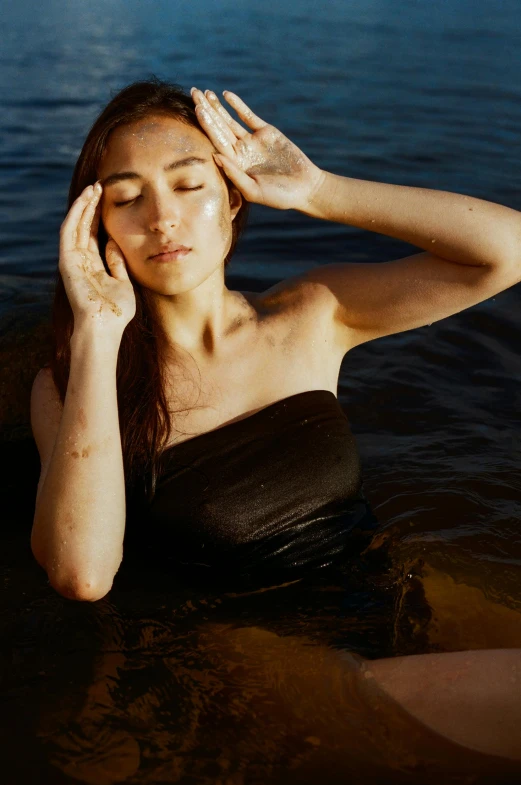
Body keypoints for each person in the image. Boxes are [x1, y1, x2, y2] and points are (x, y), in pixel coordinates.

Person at [28, 77, 521, 766]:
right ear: (95, 224)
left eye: (187, 184)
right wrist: (97, 331)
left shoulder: (311, 315)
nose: (162, 218)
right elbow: (82, 574)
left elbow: (508, 250)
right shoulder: (73, 382)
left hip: (383, 584)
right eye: (126, 197)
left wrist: (318, 191)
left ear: (232, 196)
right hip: (251, 648)